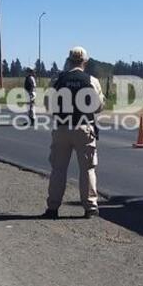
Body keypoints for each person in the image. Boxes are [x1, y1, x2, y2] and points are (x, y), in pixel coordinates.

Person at [42, 46, 105, 219]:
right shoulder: (91, 80)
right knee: (87, 169)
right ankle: (90, 208)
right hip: (84, 128)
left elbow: (48, 105)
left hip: (61, 128)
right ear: (85, 61)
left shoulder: (58, 79)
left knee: (58, 170)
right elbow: (99, 106)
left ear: (69, 60)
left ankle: (53, 208)